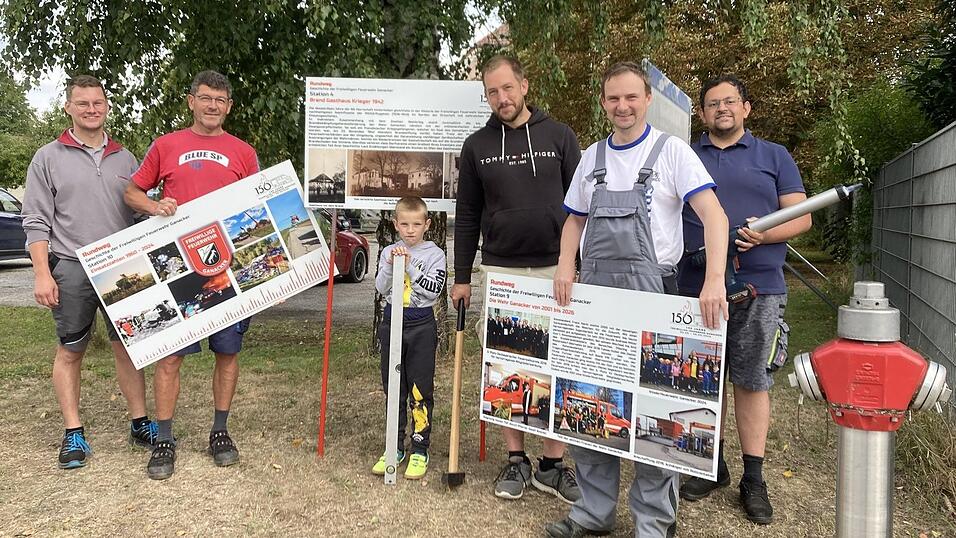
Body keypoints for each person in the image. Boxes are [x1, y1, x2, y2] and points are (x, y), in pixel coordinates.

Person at [549, 61, 729, 538]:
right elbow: (574, 220)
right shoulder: (591, 158)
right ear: (603, 102)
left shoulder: (672, 152)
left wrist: (713, 279)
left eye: (631, 97)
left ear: (647, 99)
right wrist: (567, 264)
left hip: (655, 295)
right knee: (590, 403)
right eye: (613, 98)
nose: (622, 107)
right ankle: (592, 513)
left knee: (656, 410)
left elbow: (714, 217)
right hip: (597, 301)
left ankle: (653, 523)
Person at [677, 75, 810, 525]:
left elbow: (802, 216)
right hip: (695, 287)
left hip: (759, 285)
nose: (721, 110)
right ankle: (711, 465)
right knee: (701, 379)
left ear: (746, 108)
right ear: (702, 113)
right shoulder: (685, 155)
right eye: (712, 104)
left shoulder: (775, 156)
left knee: (752, 380)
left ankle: (754, 478)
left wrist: (765, 233)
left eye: (729, 101)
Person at [452, 54, 582, 503]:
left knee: (557, 364)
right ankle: (516, 460)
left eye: (508, 88)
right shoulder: (476, 146)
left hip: (555, 268)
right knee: (507, 364)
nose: (501, 98)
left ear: (524, 85)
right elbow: (467, 214)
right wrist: (462, 275)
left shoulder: (561, 136)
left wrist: (575, 262)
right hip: (502, 267)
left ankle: (551, 464)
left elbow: (581, 209)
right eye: (492, 92)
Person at [123, 70, 259, 480]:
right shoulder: (167, 145)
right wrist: (154, 206)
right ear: (191, 101)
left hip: (226, 266)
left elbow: (262, 205)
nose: (213, 105)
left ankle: (220, 430)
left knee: (228, 352)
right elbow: (132, 192)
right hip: (178, 267)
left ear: (229, 106)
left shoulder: (244, 152)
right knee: (169, 357)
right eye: (205, 98)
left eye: (220, 99)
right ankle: (164, 438)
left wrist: (272, 278)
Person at [21, 75, 157, 469]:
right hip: (73, 267)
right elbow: (35, 221)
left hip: (121, 269)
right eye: (83, 104)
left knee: (129, 348)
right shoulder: (47, 157)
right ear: (68, 107)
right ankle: (73, 433)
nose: (91, 110)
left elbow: (137, 212)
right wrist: (42, 274)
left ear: (106, 105)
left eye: (97, 103)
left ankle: (139, 422)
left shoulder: (126, 158)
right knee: (71, 351)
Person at [370, 196, 446, 480]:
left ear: (427, 224)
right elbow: (380, 286)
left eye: (416, 224)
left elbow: (432, 290)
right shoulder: (390, 250)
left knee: (419, 389)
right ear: (396, 224)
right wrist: (391, 265)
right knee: (394, 388)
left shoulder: (434, 254)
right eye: (404, 224)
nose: (410, 230)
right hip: (392, 323)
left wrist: (411, 266)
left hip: (421, 326)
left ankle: (419, 447)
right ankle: (394, 447)